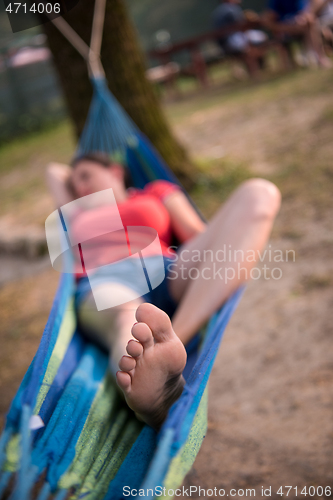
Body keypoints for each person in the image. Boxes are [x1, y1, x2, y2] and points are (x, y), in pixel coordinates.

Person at [46, 153, 281, 430]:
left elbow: (196, 232)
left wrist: (231, 249)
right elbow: (53, 171)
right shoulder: (77, 212)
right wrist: (80, 178)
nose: (81, 187)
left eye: (86, 176)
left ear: (116, 171)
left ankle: (172, 345)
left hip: (167, 268)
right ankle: (151, 393)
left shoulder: (155, 191)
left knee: (259, 193)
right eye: (75, 185)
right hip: (105, 281)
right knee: (130, 323)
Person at [262, 0, 331, 67]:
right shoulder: (275, 1)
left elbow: (307, 10)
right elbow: (270, 18)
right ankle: (310, 55)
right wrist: (284, 28)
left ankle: (318, 57)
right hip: (286, 28)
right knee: (309, 23)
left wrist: (306, 15)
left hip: (303, 24)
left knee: (310, 21)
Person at [212, 0, 268, 77]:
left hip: (225, 43)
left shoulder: (220, 10)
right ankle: (257, 67)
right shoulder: (230, 9)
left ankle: (258, 65)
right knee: (260, 37)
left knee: (256, 39)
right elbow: (241, 25)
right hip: (231, 40)